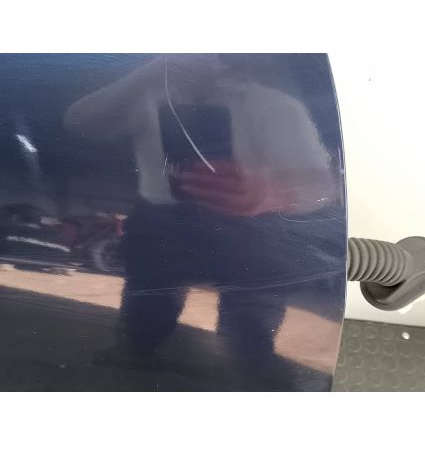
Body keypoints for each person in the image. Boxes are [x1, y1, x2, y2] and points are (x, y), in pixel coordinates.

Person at [64, 54, 339, 387]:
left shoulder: (272, 104)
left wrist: (273, 193)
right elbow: (79, 123)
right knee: (148, 296)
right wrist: (149, 73)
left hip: (250, 224)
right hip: (161, 217)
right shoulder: (147, 96)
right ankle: (136, 350)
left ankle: (254, 369)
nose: (199, 57)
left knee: (251, 311)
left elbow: (321, 185)